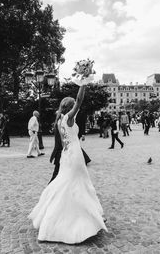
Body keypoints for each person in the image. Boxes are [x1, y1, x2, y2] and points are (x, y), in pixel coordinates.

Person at [29, 84, 107, 244]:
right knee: (77, 185)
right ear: (71, 108)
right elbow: (79, 100)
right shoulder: (68, 118)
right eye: (75, 107)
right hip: (74, 156)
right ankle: (78, 221)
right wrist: (84, 82)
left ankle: (66, 216)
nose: (77, 109)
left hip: (67, 155)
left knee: (68, 183)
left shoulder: (60, 120)